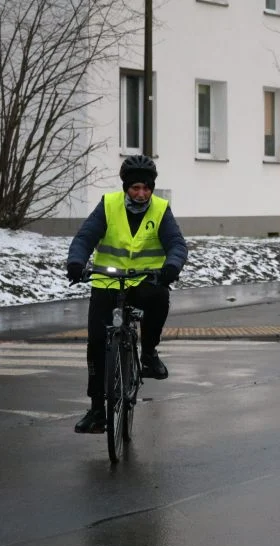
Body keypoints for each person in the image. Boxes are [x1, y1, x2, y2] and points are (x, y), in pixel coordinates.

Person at [66, 155, 188, 434]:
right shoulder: (109, 206)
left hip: (144, 282)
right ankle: (97, 410)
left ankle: (149, 354)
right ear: (126, 188)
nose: (141, 194)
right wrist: (76, 262)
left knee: (160, 298)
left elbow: (176, 244)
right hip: (107, 283)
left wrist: (171, 267)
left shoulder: (161, 210)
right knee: (97, 342)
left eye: (146, 188)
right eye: (135, 188)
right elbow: (85, 237)